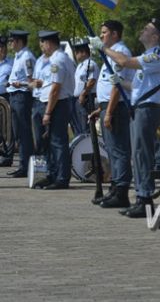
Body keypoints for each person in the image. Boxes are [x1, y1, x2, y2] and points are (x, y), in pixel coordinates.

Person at [93, 19, 160, 218]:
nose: (142, 31)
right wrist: (121, 82)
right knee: (138, 154)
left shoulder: (156, 55)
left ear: (155, 37)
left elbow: (123, 62)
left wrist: (103, 48)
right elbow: (137, 86)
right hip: (139, 108)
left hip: (147, 109)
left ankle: (145, 198)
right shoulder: (147, 55)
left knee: (141, 154)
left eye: (147, 29)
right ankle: (141, 196)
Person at [91, 20, 135, 208]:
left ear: (115, 34)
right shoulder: (111, 54)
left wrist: (108, 112)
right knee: (112, 150)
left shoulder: (121, 53)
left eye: (104, 32)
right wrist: (101, 108)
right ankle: (115, 188)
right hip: (108, 106)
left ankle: (122, 190)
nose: (101, 36)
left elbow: (118, 86)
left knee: (119, 150)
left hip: (116, 108)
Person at [34, 31, 75, 190]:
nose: (41, 46)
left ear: (49, 43)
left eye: (42, 43)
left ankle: (62, 177)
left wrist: (48, 112)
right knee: (51, 142)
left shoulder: (57, 60)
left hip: (58, 104)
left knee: (58, 142)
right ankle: (52, 174)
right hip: (55, 103)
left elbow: (56, 89)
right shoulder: (56, 59)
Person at [6, 30, 35, 178]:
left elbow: (32, 81)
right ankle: (22, 165)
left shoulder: (27, 57)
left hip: (22, 96)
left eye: (12, 41)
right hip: (14, 96)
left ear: (19, 41)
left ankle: (26, 166)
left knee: (23, 132)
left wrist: (20, 83)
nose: (10, 44)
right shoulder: (18, 57)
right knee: (17, 132)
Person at [69, 40, 98, 136]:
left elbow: (91, 81)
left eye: (77, 52)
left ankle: (89, 147)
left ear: (84, 53)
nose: (76, 55)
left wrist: (83, 94)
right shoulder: (80, 66)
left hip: (86, 98)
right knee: (79, 127)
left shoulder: (90, 64)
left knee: (85, 125)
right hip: (79, 98)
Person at [0, 36, 15, 166]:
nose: (2, 50)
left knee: (8, 129)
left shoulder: (12, 63)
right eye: (0, 48)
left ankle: (7, 157)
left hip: (6, 98)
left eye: (3, 47)